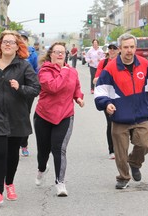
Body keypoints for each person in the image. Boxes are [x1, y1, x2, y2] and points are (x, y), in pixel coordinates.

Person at [94, 33, 148, 189]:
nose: (129, 50)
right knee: (120, 152)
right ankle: (123, 177)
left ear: (135, 48)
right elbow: (100, 91)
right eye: (125, 47)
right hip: (120, 117)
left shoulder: (143, 63)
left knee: (144, 146)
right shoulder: (110, 68)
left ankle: (135, 163)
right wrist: (106, 103)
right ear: (120, 49)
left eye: (132, 47)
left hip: (140, 115)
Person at [0, 30, 40, 208]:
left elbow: (35, 89)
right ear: (0, 45)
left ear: (17, 46)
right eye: (5, 42)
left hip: (17, 116)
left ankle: (9, 183)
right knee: (0, 152)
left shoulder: (23, 66)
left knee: (12, 154)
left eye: (11, 42)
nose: (8, 44)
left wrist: (20, 87)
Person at [34, 42, 84, 197]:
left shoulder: (73, 72)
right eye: (57, 52)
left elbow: (76, 88)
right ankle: (42, 169)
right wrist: (63, 71)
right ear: (51, 54)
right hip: (44, 115)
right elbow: (53, 87)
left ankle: (60, 183)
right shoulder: (44, 71)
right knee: (43, 151)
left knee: (59, 149)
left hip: (65, 115)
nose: (60, 55)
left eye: (63, 52)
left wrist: (79, 98)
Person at [93, 42, 119, 159]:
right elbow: (95, 80)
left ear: (119, 50)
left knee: (124, 122)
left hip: (121, 97)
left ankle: (122, 147)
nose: (112, 50)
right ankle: (112, 150)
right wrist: (103, 78)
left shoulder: (122, 62)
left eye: (114, 48)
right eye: (110, 49)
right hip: (107, 97)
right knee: (111, 123)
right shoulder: (103, 63)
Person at [18, 30, 39, 156]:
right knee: (13, 115)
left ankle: (24, 144)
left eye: (24, 39)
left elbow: (37, 71)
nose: (22, 41)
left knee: (24, 116)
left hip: (28, 89)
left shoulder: (32, 54)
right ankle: (13, 142)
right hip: (14, 88)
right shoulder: (12, 53)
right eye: (20, 39)